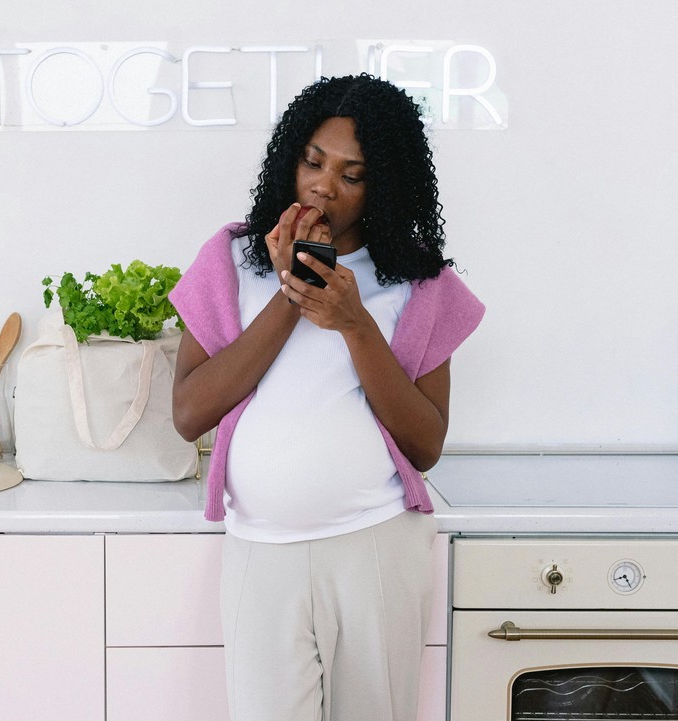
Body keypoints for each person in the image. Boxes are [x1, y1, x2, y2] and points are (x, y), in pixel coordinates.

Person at [168, 73, 485, 721]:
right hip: (261, 549)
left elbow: (424, 445)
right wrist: (293, 292)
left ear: (382, 186)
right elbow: (188, 412)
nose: (323, 184)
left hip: (375, 547)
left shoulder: (416, 280)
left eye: (352, 173)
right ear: (291, 159)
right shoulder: (232, 259)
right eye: (313, 161)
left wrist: (354, 321)